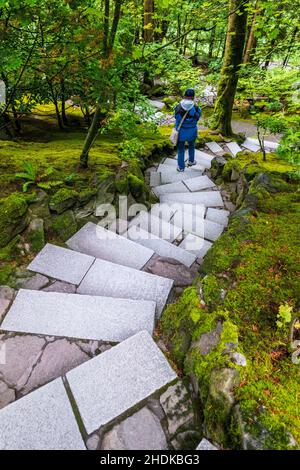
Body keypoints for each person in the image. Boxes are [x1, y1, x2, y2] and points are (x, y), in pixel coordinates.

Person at [174, 88, 201, 172]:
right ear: (193, 97)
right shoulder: (196, 108)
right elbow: (198, 117)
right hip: (192, 131)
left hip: (181, 132)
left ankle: (181, 167)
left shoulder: (178, 107)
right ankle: (191, 161)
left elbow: (177, 119)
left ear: (184, 96)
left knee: (181, 149)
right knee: (191, 146)